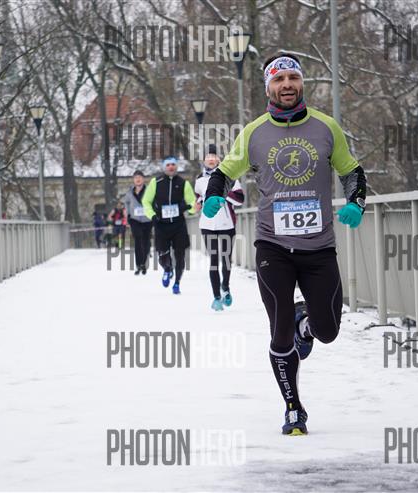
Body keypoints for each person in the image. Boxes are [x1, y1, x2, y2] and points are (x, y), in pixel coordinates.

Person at [203, 53, 367, 435]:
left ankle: (304, 325)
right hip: (273, 247)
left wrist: (356, 203)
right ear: (268, 88)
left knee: (328, 331)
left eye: (293, 77)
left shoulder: (326, 127)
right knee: (278, 330)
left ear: (302, 82)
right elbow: (224, 172)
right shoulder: (254, 133)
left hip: (319, 248)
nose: (287, 85)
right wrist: (214, 195)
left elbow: (352, 171)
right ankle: (293, 407)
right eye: (279, 80)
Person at [194, 144, 244, 311]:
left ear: (219, 159)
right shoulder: (199, 179)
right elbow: (199, 198)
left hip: (227, 224)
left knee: (226, 259)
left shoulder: (231, 177)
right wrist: (198, 204)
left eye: (214, 156)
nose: (211, 159)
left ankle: (226, 288)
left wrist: (222, 190)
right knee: (214, 260)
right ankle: (216, 296)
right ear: (204, 160)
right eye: (208, 156)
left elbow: (240, 200)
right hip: (207, 225)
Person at [142, 156, 197, 295]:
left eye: (173, 164)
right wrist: (152, 215)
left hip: (179, 225)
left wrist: (190, 209)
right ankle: (167, 269)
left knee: (180, 256)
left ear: (176, 166)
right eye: (168, 165)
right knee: (162, 255)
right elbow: (146, 202)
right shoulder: (156, 182)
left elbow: (192, 203)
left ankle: (177, 283)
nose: (171, 167)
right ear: (164, 167)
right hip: (161, 224)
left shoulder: (184, 183)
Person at [123, 170, 153, 275]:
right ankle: (138, 265)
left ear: (143, 179)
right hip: (134, 219)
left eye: (140, 177)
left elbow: (154, 201)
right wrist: (128, 214)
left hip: (147, 219)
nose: (138, 179)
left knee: (146, 241)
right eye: (136, 177)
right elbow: (126, 202)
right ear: (133, 180)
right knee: (138, 240)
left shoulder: (149, 190)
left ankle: (144, 263)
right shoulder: (129, 192)